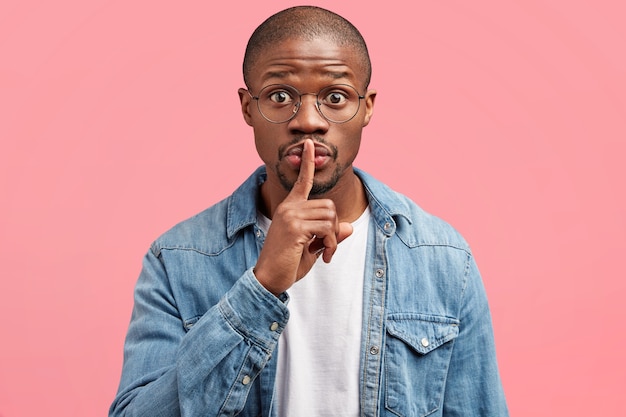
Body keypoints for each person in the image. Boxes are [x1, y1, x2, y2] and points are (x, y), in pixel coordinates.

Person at [109, 6, 508, 417]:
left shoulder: (442, 259)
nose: (308, 121)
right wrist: (261, 289)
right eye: (280, 96)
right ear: (248, 107)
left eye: (335, 98)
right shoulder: (177, 260)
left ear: (367, 107)